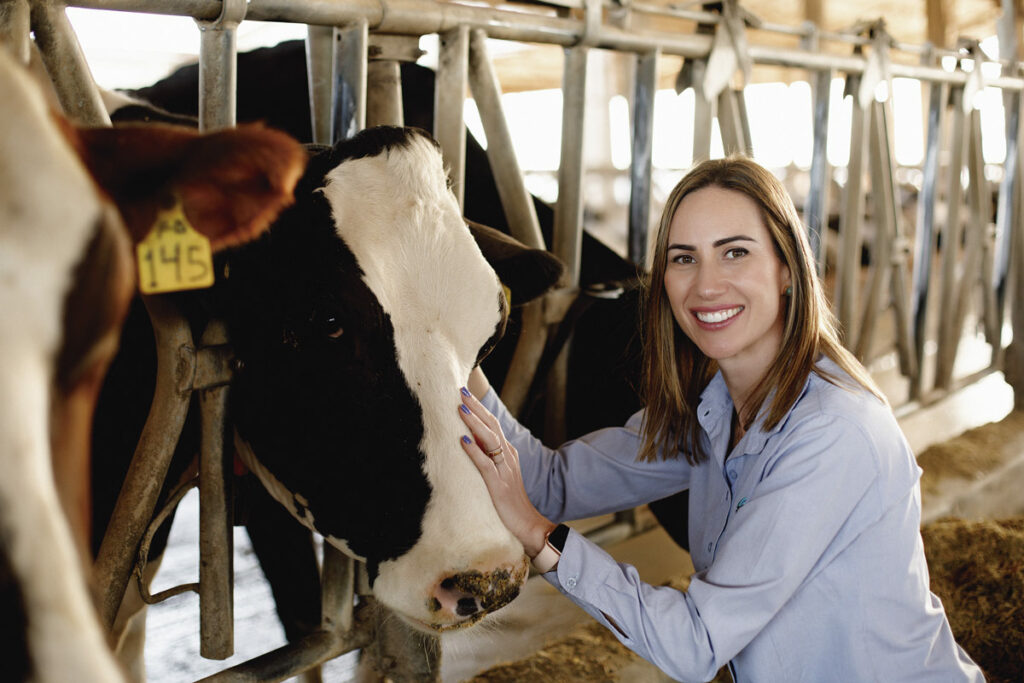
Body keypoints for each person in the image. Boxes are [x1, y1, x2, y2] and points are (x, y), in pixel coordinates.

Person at [456, 156, 983, 682]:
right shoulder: (713, 407)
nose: (706, 286)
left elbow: (697, 643)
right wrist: (457, 355)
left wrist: (537, 534)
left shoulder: (831, 431)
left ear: (787, 270)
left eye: (734, 253)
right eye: (684, 258)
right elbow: (549, 481)